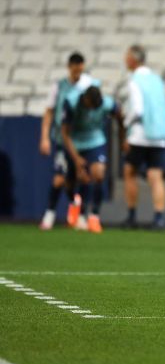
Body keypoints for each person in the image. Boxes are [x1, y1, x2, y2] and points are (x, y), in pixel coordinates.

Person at [38, 52, 98, 230]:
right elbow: (49, 111)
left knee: (84, 177)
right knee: (59, 179)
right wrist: (44, 137)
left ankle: (79, 215)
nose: (77, 73)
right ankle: (50, 213)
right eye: (74, 69)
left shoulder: (89, 85)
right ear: (69, 67)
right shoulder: (60, 86)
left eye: (80, 69)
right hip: (63, 139)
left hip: (84, 141)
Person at [121, 45, 165, 229]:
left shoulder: (135, 80)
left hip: (140, 134)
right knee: (155, 176)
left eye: (127, 57)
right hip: (159, 134)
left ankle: (132, 215)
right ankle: (159, 217)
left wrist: (125, 123)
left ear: (133, 60)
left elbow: (138, 109)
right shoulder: (157, 79)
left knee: (130, 172)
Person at [60, 85, 119, 233]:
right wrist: (77, 159)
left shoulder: (107, 103)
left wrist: (123, 138)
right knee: (70, 183)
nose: (92, 109)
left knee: (98, 175)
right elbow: (65, 134)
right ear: (85, 99)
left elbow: (120, 115)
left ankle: (94, 216)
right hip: (74, 142)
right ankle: (76, 209)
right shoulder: (71, 103)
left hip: (95, 141)